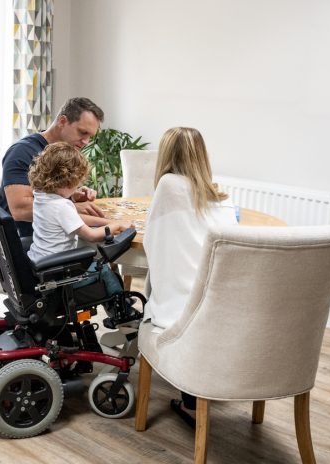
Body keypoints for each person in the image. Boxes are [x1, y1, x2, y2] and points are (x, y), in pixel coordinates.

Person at [143, 126, 238, 427]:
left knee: (153, 293)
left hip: (181, 308)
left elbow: (151, 241)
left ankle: (188, 390)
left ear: (166, 155)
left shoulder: (168, 185)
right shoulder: (218, 196)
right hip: (219, 306)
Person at [27, 142, 133, 314]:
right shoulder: (62, 205)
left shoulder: (41, 197)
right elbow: (90, 235)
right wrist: (117, 226)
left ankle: (117, 309)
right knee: (104, 271)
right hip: (60, 274)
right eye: (76, 183)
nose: (77, 187)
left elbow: (71, 221)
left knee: (99, 268)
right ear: (67, 180)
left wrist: (106, 222)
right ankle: (122, 313)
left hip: (40, 266)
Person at [1, 97, 108, 237]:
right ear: (62, 121)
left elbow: (42, 196)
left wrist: (72, 196)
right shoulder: (22, 152)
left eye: (90, 137)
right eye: (82, 132)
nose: (86, 142)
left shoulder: (63, 153)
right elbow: (19, 210)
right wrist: (71, 208)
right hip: (32, 245)